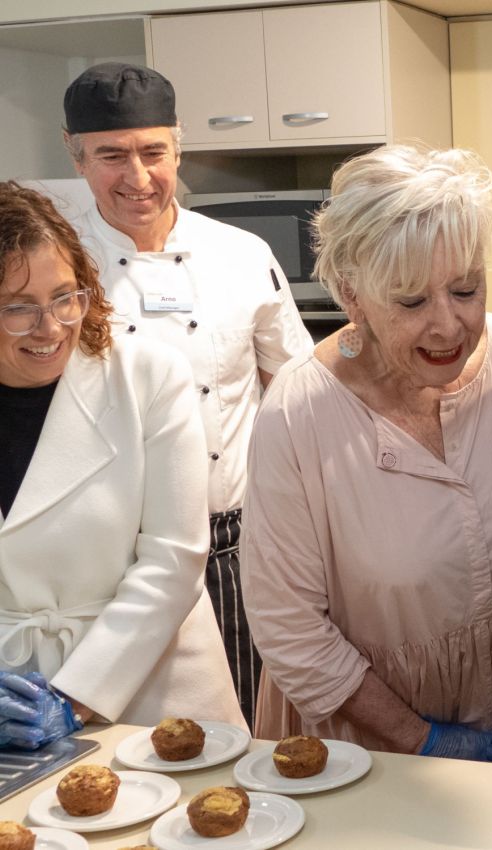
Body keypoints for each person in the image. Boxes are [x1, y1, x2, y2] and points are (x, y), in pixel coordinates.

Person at [240, 144, 492, 761]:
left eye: (466, 289)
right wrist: (423, 740)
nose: (448, 325)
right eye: (412, 301)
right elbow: (288, 625)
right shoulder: (299, 414)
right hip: (362, 744)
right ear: (352, 296)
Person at [60, 62, 314, 729]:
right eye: (112, 156)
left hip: (240, 550)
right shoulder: (53, 266)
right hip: (109, 569)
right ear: (75, 154)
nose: (139, 178)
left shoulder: (240, 253)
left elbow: (302, 393)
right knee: (134, 748)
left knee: (258, 740)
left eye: (154, 153)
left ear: (178, 145)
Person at [0, 182, 243, 743]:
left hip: (153, 696)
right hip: (13, 708)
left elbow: (173, 559)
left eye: (66, 296)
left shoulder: (146, 377)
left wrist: (77, 696)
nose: (51, 327)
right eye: (19, 308)